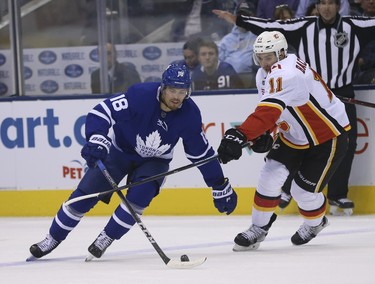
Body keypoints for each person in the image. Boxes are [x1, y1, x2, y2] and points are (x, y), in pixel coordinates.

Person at [28, 63, 238, 260]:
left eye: (182, 92)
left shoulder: (190, 114)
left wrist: (218, 183)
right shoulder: (140, 96)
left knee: (139, 197)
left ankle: (107, 237)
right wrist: (97, 138)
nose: (177, 97)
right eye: (173, 90)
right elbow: (102, 111)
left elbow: (201, 153)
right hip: (120, 152)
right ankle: (52, 238)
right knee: (84, 195)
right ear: (163, 88)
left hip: (155, 161)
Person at [213, 0, 375, 215]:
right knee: (296, 139)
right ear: (316, 6)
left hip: (340, 94)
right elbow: (271, 29)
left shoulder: (353, 25)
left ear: (338, 6)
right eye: (322, 3)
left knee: (345, 144)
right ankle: (288, 189)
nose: (326, 8)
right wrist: (240, 20)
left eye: (331, 3)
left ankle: (337, 194)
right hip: (303, 94)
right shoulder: (304, 26)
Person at [217, 31, 350, 251]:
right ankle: (258, 228)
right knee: (270, 174)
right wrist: (266, 134)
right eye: (259, 57)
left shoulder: (286, 73)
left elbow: (268, 111)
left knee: (302, 192)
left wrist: (240, 134)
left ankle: (316, 223)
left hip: (327, 136)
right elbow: (274, 112)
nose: (263, 62)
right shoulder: (265, 73)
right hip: (293, 135)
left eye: (268, 57)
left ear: (281, 53)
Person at [218, 1, 258, 88]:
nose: (242, 18)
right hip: (227, 80)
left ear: (253, 17)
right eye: (239, 15)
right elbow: (218, 62)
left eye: (246, 15)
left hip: (252, 80)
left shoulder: (259, 37)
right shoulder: (226, 39)